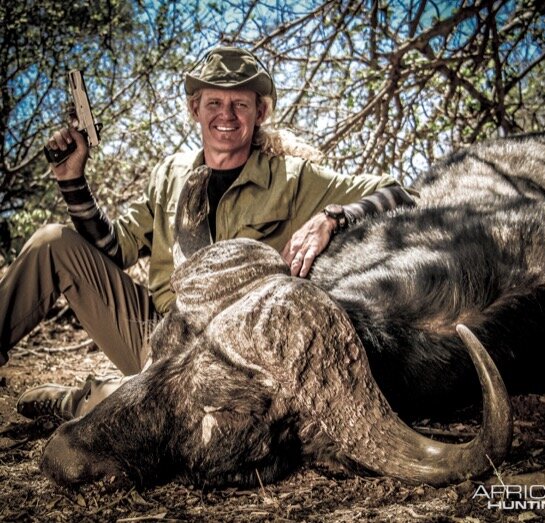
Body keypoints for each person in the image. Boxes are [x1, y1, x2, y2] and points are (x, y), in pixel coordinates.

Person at [0, 46, 414, 420]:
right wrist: (73, 181)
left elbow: (402, 192)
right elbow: (114, 248)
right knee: (53, 241)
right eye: (214, 102)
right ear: (195, 109)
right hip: (155, 335)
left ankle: (81, 400)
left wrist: (331, 218)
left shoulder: (292, 177)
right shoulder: (169, 174)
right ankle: (103, 394)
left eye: (240, 104)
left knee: (139, 419)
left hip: (229, 358)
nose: (227, 115)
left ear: (260, 112)